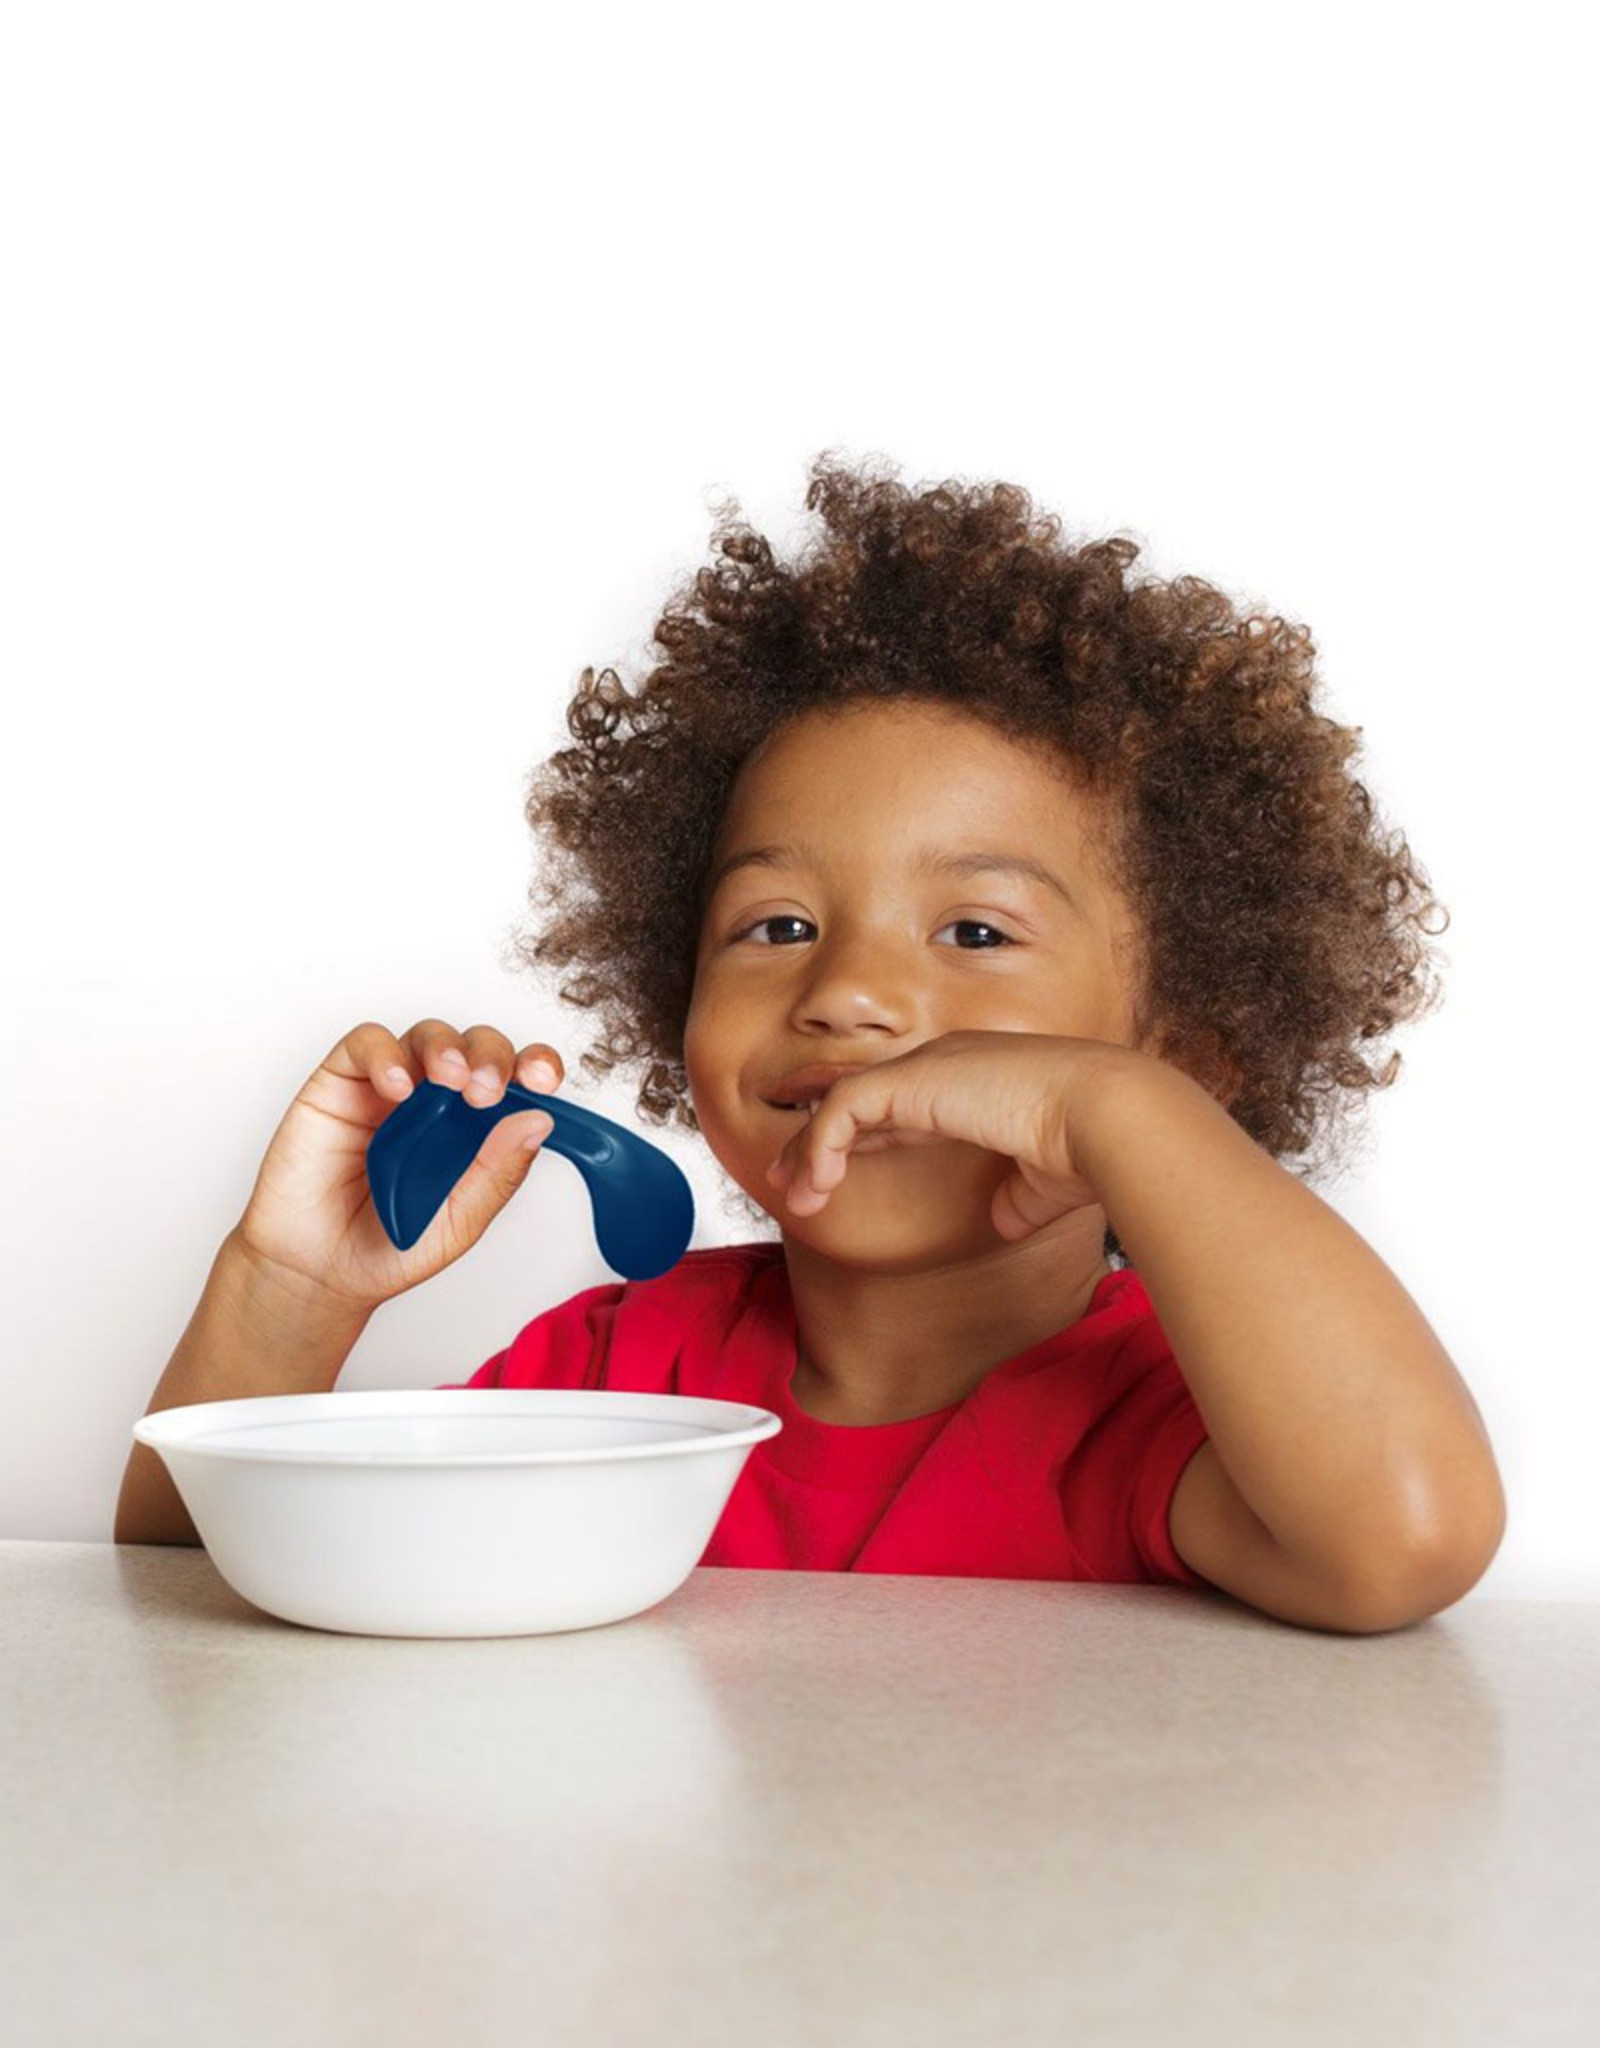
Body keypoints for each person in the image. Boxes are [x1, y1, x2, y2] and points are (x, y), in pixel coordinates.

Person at [115, 452, 1506, 1633]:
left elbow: (1408, 1535)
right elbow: (189, 1602)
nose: (845, 991)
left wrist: (1122, 1116)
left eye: (975, 934)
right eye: (775, 926)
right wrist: (295, 1286)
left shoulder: (1172, 1415)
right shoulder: (617, 1375)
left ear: (1191, 1055)